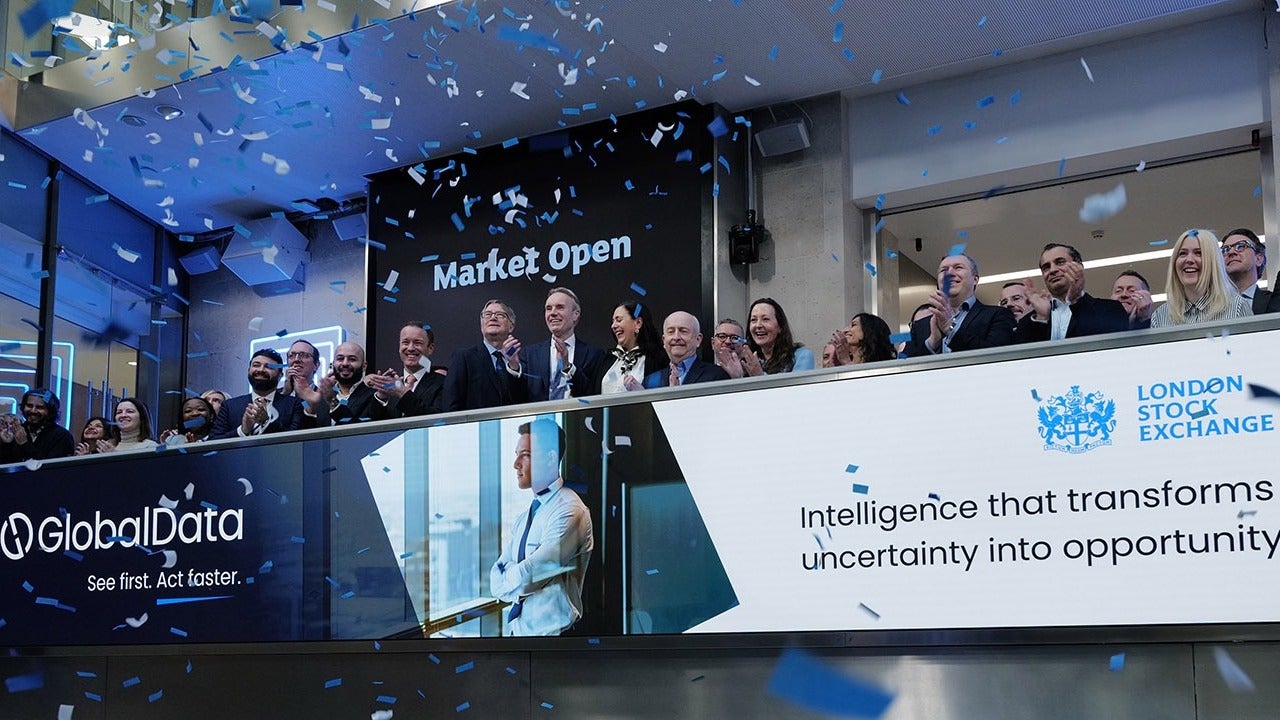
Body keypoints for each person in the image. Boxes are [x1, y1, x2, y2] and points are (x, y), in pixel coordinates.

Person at [489, 417, 593, 636]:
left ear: (550, 458)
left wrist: (515, 571)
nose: (516, 464)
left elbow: (529, 578)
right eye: (516, 455)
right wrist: (521, 571)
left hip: (555, 642)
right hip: (518, 636)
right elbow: (495, 578)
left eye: (525, 455)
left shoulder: (569, 510)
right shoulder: (525, 517)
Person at [904, 253, 1016, 356]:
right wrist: (933, 342)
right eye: (944, 270)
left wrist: (951, 330)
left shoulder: (998, 315)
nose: (949, 273)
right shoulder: (920, 326)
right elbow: (906, 366)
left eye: (958, 267)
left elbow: (996, 356)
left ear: (975, 279)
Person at [1015, 243, 1130, 343]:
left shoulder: (1109, 309)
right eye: (1046, 267)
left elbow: (1110, 346)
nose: (1052, 270)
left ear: (1079, 266)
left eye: (1060, 262)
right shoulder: (1029, 322)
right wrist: (1042, 318)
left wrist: (1076, 302)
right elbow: (1025, 357)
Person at [1150, 229, 1252, 328]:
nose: (1189, 259)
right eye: (1183, 253)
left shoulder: (1237, 307)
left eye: (1199, 253)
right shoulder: (1160, 316)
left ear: (1213, 262)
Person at [520, 288, 606, 402]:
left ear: (575, 314)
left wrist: (567, 366)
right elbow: (516, 397)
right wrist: (513, 367)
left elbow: (592, 396)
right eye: (548, 308)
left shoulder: (594, 355)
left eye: (560, 307)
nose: (553, 313)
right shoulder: (529, 354)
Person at [444, 300, 530, 411]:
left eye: (500, 315)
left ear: (511, 326)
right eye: (488, 314)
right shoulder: (464, 357)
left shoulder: (521, 361)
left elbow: (525, 403)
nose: (493, 318)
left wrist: (514, 367)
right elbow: (451, 404)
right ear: (482, 325)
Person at [209, 349, 313, 439]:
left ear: (280, 375)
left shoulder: (293, 404)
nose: (261, 370)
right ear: (248, 370)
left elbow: (296, 439)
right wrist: (243, 430)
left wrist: (266, 422)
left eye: (269, 367)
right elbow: (213, 442)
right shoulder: (230, 406)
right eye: (256, 365)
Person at [366, 324, 445, 418]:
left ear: (430, 348)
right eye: (405, 343)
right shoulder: (389, 384)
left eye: (417, 343)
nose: (410, 348)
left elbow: (437, 419)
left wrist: (402, 393)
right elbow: (371, 423)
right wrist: (381, 396)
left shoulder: (442, 383)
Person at [644, 311, 730, 388]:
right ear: (664, 340)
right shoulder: (650, 381)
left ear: (698, 340)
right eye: (671, 332)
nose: (676, 337)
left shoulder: (717, 376)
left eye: (683, 331)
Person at [596, 301, 666, 394]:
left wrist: (642, 393)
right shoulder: (607, 359)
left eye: (619, 320)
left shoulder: (658, 359)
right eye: (613, 321)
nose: (613, 326)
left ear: (638, 323)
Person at [742, 298, 814, 375]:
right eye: (753, 320)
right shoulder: (747, 360)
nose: (758, 325)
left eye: (765, 319)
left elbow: (798, 382)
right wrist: (737, 376)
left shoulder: (801, 355)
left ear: (780, 327)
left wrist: (760, 376)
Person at [0, 389, 74, 463]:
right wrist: (6, 444)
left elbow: (51, 467)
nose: (33, 410)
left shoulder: (62, 436)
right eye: (29, 406)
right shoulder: (17, 430)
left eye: (39, 407)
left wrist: (24, 443)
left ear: (50, 411)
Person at [1221, 228, 1279, 315]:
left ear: (1258, 259)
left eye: (1241, 246)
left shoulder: (1274, 302)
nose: (1231, 252)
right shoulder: (1209, 307)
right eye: (1225, 249)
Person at [319, 341, 378, 424]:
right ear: (333, 364)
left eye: (352, 359)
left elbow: (357, 428)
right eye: (340, 359)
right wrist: (309, 407)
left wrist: (333, 402)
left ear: (364, 366)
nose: (345, 363)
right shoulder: (322, 397)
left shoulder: (374, 397)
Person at [830, 313, 896, 365]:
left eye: (853, 325)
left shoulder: (885, 366)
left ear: (869, 330)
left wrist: (846, 361)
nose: (845, 331)